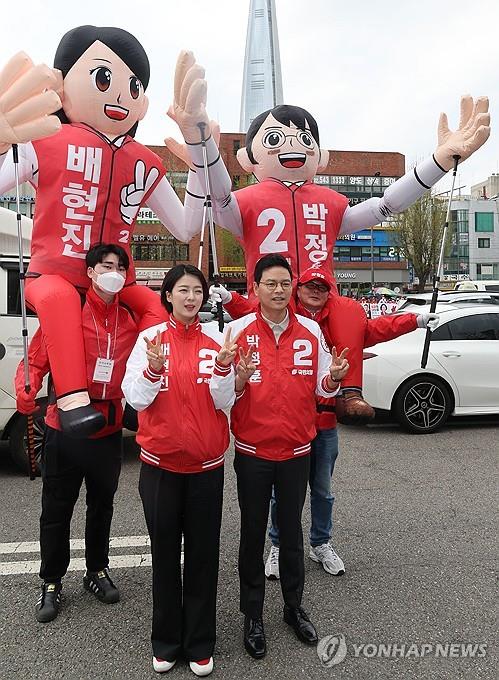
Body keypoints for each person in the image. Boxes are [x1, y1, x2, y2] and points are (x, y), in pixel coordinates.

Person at [168, 74, 489, 423]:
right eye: (275, 138)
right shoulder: (245, 201)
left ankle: (350, 391)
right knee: (270, 382)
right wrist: (202, 144)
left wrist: (439, 161)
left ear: (320, 157)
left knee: (349, 312)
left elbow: (385, 206)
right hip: (271, 299)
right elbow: (218, 196)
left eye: (304, 138)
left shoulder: (329, 202)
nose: (292, 146)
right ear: (247, 158)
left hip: (323, 296)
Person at [0, 28, 215, 435]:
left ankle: (130, 390)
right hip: (53, 273)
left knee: (155, 308)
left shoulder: (144, 160)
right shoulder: (44, 140)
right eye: (103, 79)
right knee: (62, 301)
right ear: (63, 84)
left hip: (118, 278)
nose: (120, 96)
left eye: (133, 86)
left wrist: (201, 165)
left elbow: (187, 225)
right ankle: (71, 397)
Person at [210, 254, 349, 660]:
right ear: (254, 288)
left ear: (292, 288)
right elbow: (222, 396)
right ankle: (252, 615)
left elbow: (323, 389)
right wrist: (237, 377)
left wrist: (335, 378)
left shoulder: (309, 330)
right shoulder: (236, 331)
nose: (278, 290)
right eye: (269, 283)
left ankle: (293, 607)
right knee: (253, 534)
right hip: (252, 453)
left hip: (296, 451)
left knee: (290, 533)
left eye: (284, 283)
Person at [260, 266, 439, 579]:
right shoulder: (281, 317)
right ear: (298, 288)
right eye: (309, 286)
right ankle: (278, 545)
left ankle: (320, 543)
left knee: (323, 490)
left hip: (327, 420)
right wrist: (229, 299)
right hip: (291, 421)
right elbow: (250, 311)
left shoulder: (348, 317)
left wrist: (417, 319)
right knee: (283, 491)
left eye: (322, 286)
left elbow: (381, 328)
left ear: (331, 291)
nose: (316, 291)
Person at [14, 243, 138, 623]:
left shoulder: (131, 320)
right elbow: (34, 359)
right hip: (64, 429)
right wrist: (26, 385)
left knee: (102, 505)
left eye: (119, 266)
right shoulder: (65, 313)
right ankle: (51, 581)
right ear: (90, 272)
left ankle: (96, 570)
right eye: (105, 265)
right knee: (56, 508)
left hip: (108, 430)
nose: (112, 272)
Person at [122, 264, 234, 677]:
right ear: (168, 295)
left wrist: (224, 369)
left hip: (207, 468)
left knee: (203, 557)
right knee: (165, 556)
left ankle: (200, 644)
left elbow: (226, 403)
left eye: (197, 292)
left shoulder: (216, 339)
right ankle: (166, 642)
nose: (191, 298)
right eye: (183, 290)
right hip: (160, 468)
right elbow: (134, 398)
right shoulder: (149, 340)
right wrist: (153, 370)